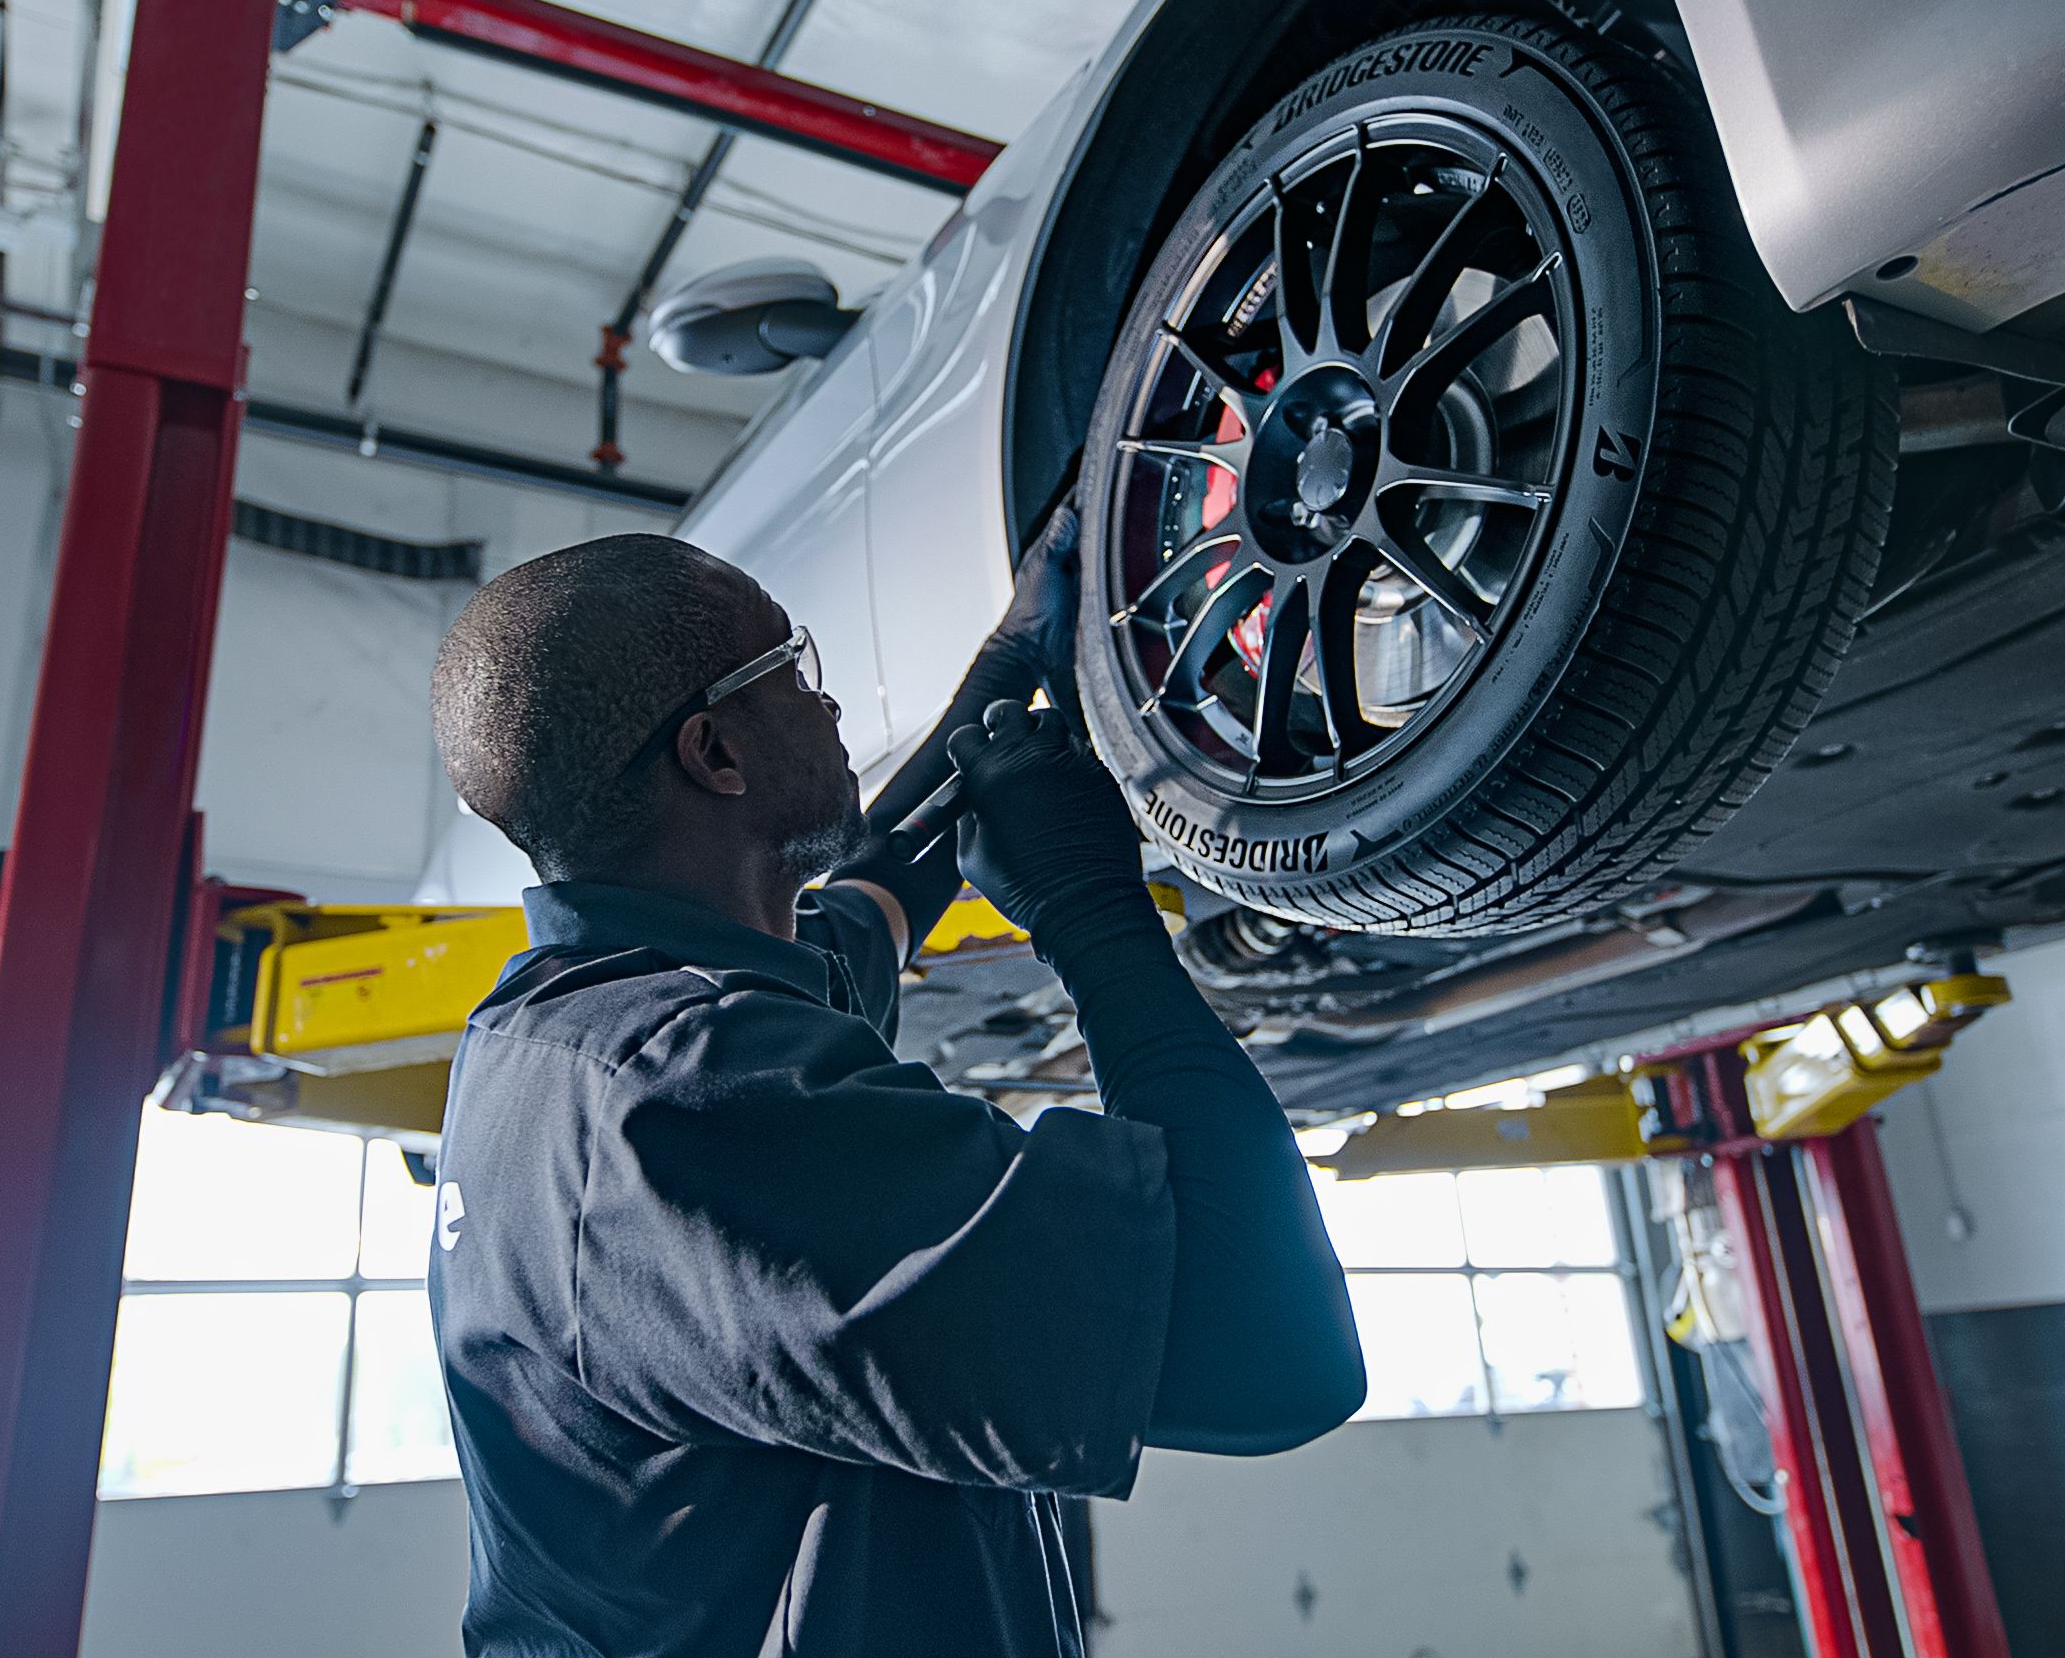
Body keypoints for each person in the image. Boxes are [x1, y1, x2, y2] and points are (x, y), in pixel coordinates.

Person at [423, 508, 1365, 1657]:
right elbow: (1273, 1353)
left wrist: (1005, 666)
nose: (825, 699)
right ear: (712, 754)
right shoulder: (686, 1105)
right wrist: (1091, 910)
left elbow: (859, 909)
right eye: (789, 663)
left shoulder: (564, 1031)